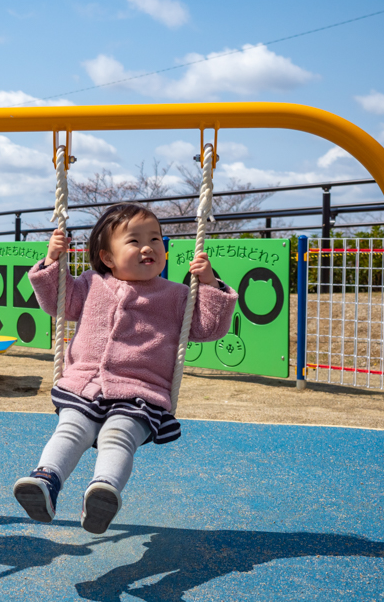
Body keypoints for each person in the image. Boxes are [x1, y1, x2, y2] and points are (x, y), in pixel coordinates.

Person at [13, 202, 238, 534]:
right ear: (107, 257)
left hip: (140, 393)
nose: (148, 247)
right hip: (84, 385)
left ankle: (103, 492)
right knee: (71, 429)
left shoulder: (176, 296)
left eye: (156, 239)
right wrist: (51, 262)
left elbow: (209, 328)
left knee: (118, 436)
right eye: (134, 241)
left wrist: (209, 284)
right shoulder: (90, 284)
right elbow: (56, 302)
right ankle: (45, 480)